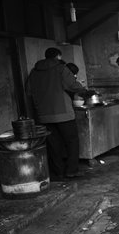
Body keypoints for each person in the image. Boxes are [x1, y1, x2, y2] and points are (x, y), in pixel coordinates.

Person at [26, 47, 87, 181]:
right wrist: (84, 89)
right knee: (71, 142)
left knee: (53, 144)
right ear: (58, 56)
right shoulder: (61, 68)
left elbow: (29, 92)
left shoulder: (34, 72)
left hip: (43, 115)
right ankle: (71, 171)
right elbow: (73, 86)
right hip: (64, 113)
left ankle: (58, 173)